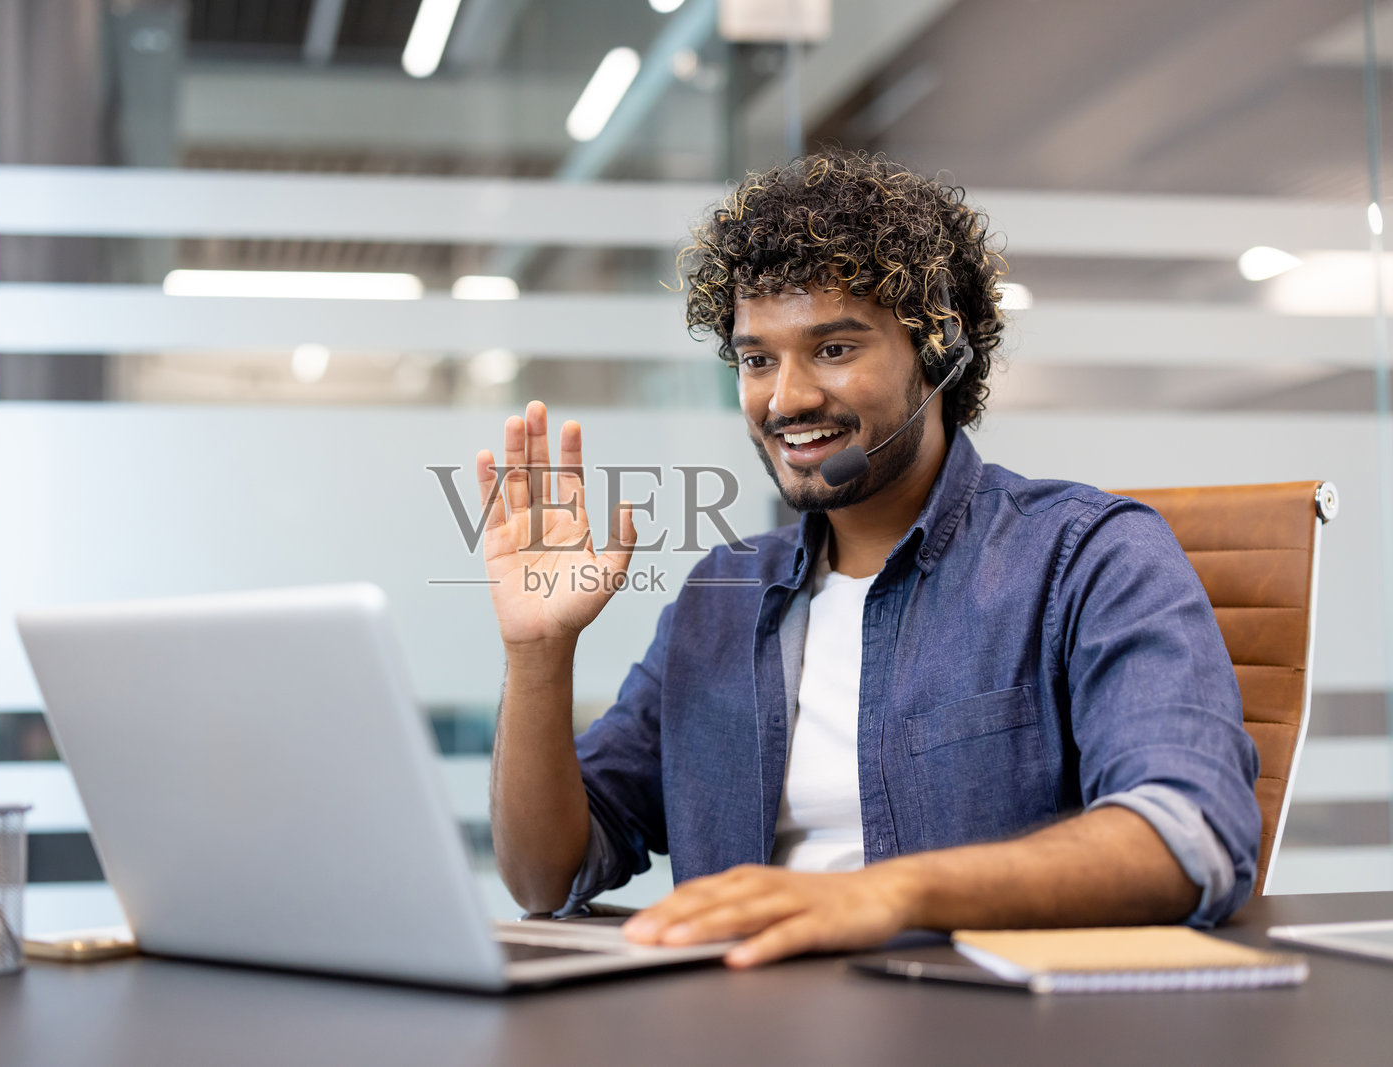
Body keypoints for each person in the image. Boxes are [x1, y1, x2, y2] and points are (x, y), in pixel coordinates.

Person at [475, 149, 1260, 969]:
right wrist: (537, 657)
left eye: (835, 348)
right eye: (756, 359)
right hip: (734, 1023)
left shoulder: (1084, 556)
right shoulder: (723, 594)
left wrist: (884, 893)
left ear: (940, 352)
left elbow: (1190, 833)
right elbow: (547, 875)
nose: (787, 399)